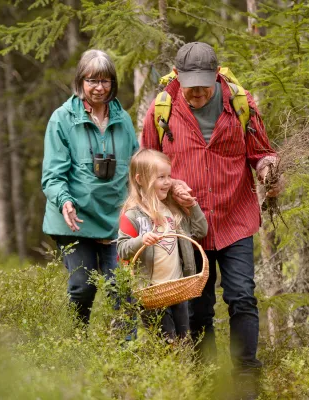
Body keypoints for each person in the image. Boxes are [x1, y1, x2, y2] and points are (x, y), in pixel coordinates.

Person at [141, 42, 283, 397]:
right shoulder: (161, 109)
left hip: (235, 216)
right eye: (192, 85)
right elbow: (145, 167)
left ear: (216, 76)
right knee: (197, 305)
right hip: (187, 226)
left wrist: (269, 170)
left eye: (205, 84)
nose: (198, 92)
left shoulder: (241, 105)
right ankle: (207, 380)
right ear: (180, 78)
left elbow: (262, 153)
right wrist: (170, 187)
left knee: (242, 297)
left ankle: (246, 378)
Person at [41, 49, 139, 324]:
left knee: (121, 289)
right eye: (92, 80)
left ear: (113, 83)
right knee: (83, 286)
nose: (99, 87)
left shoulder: (123, 120)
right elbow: (53, 175)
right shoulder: (62, 119)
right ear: (80, 82)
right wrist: (65, 201)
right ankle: (78, 346)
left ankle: (125, 352)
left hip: (114, 221)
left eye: (105, 81)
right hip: (75, 219)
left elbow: (134, 170)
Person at [117, 149, 208, 342]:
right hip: (151, 293)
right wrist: (141, 239)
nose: (168, 182)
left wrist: (192, 205)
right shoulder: (133, 215)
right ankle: (163, 372)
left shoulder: (172, 210)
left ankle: (181, 372)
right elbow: (122, 249)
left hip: (177, 288)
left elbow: (200, 231)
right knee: (166, 342)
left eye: (169, 176)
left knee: (184, 340)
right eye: (161, 177)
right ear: (140, 179)